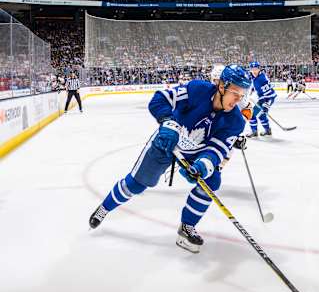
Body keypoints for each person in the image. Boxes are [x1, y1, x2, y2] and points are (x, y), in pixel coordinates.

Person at [88, 64, 252, 254]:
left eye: (242, 95)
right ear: (222, 87)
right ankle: (104, 208)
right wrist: (167, 122)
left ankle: (186, 227)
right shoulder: (196, 90)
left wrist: (202, 166)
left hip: (195, 154)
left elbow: (217, 150)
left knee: (212, 180)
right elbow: (160, 99)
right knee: (136, 185)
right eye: (235, 93)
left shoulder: (236, 121)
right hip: (167, 141)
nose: (238, 100)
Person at [247, 61, 277, 137]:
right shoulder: (254, 77)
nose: (254, 70)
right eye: (252, 69)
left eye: (256, 68)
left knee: (260, 114)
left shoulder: (261, 79)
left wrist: (265, 104)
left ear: (259, 69)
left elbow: (266, 93)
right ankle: (262, 130)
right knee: (254, 114)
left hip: (268, 98)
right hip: (262, 98)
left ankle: (262, 131)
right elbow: (256, 86)